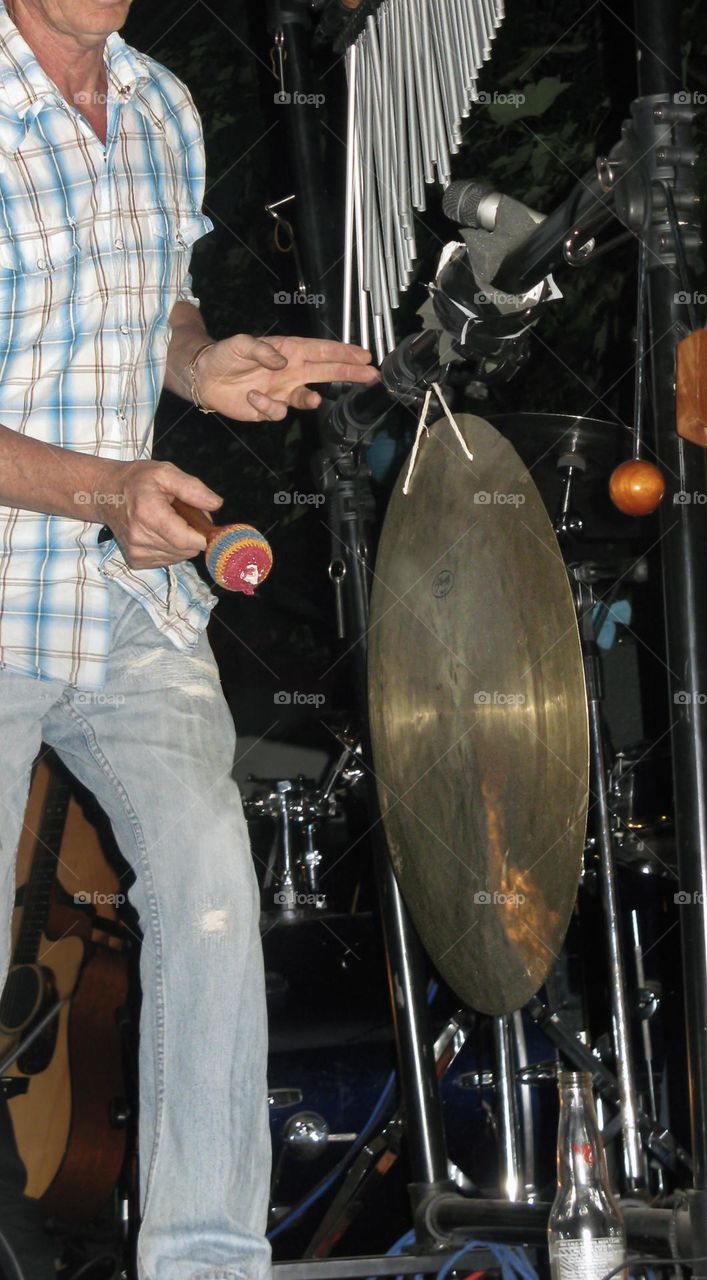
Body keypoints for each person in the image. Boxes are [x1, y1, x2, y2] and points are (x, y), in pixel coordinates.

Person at [0, 1, 379, 1278]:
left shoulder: (161, 103)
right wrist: (106, 487)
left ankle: (208, 1256)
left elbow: (153, 301)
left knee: (215, 884)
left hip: (122, 592)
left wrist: (205, 359)